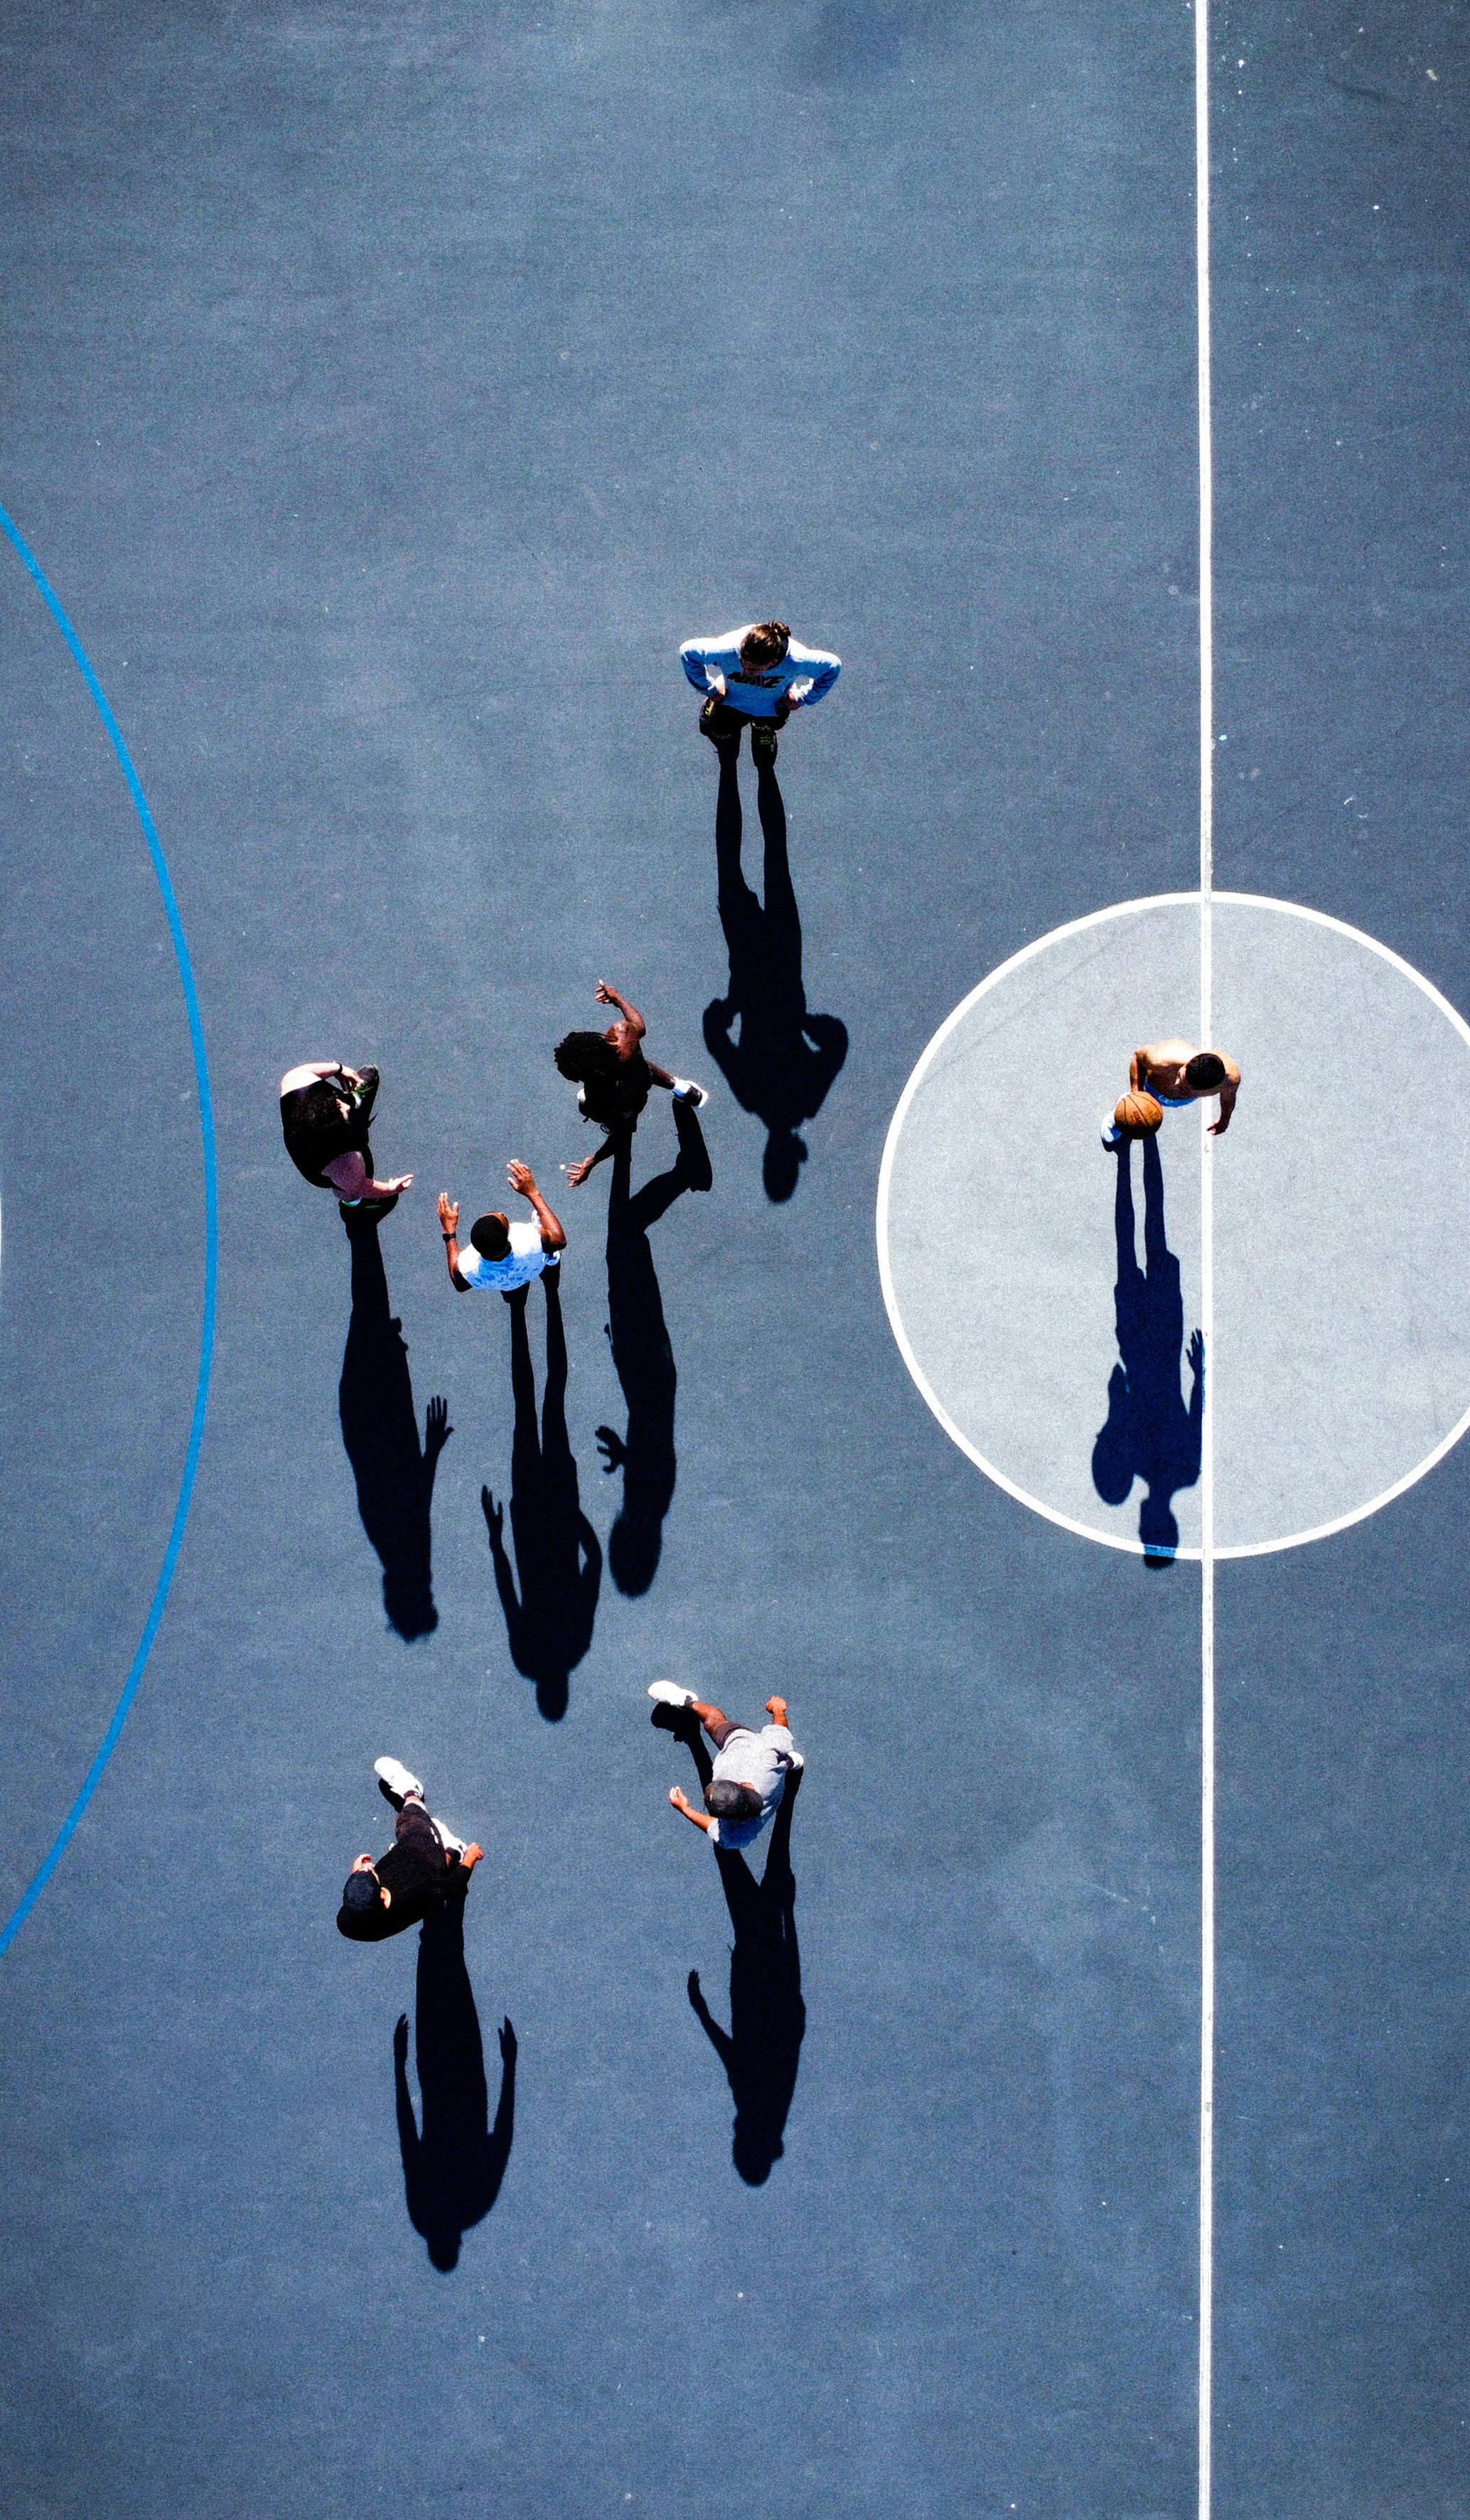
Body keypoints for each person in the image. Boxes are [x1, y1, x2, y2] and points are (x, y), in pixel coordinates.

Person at [554, 981, 707, 1190]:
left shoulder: (595, 1097)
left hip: (627, 1107)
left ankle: (681, 1090)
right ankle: (685, 1091)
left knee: (585, 1102)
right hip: (643, 1078)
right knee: (644, 1066)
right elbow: (639, 1026)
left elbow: (620, 1134)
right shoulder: (623, 1034)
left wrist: (594, 1160)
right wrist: (617, 998)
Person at [337, 1757, 483, 1942]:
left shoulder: (349, 1922)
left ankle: (451, 1851)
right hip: (422, 1857)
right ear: (382, 1897)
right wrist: (471, 1857)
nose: (369, 1867)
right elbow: (452, 1888)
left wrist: (359, 1877)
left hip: (405, 1865)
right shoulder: (415, 1892)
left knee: (431, 1861)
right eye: (370, 1873)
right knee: (409, 1820)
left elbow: (360, 1898)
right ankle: (412, 1792)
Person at [648, 1683, 803, 1851]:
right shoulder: (765, 1760)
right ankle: (789, 1763)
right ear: (741, 1786)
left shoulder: (734, 1836)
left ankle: (686, 1702)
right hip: (766, 1763)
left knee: (712, 1721)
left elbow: (712, 1826)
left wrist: (685, 1809)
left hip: (740, 1743)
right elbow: (780, 1732)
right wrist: (778, 1709)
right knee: (779, 1759)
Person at [678, 620, 840, 763]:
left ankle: (761, 727)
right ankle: (712, 703)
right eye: (743, 663)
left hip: (771, 707)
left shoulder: (797, 660)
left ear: (773, 662)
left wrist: (803, 698)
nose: (745, 671)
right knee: (718, 733)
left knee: (772, 725)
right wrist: (710, 689)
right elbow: (688, 653)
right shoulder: (727, 649)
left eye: (754, 669)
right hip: (731, 699)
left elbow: (832, 667)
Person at [279, 1060, 412, 1216]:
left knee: (349, 1106)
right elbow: (360, 1186)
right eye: (342, 1112)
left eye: (337, 1104)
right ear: (339, 1132)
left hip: (307, 1130)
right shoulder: (343, 1163)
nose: (345, 1106)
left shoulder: (297, 1085)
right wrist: (390, 1189)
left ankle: (356, 1099)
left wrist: (339, 1069)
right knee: (350, 1186)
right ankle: (353, 1203)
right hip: (315, 1165)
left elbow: (299, 1072)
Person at [437, 1163, 567, 1296]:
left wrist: (449, 1232)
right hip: (534, 1267)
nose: (502, 1214)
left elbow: (459, 1285)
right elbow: (560, 1240)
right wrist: (533, 1193)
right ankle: (551, 1259)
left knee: (511, 1289)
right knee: (546, 1240)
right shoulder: (530, 1239)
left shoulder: (468, 1266)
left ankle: (512, 1288)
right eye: (503, 1219)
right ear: (508, 1233)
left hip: (507, 1284)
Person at [1102, 1038, 1241, 1146]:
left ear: (1206, 1089)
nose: (1177, 1084)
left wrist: (1225, 1119)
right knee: (1132, 1112)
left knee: (1148, 1119)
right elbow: (1138, 1057)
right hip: (1151, 1088)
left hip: (1177, 1101)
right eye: (1181, 1076)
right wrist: (1136, 1096)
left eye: (1186, 1088)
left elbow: (1228, 1098)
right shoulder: (1162, 1059)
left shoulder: (1230, 1080)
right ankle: (1118, 1116)